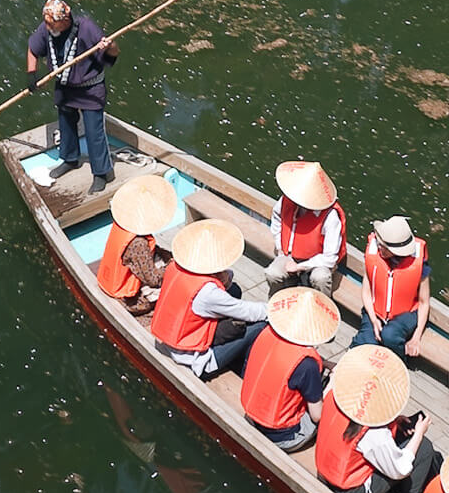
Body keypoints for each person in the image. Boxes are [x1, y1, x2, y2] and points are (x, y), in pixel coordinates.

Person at [315, 345, 441, 493]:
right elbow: (399, 469)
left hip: (325, 467)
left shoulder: (334, 394)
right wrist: (419, 433)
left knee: (406, 440)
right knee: (424, 449)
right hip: (350, 489)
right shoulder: (373, 432)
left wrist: (394, 421)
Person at [150, 218, 269, 378]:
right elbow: (247, 311)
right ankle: (243, 371)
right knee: (259, 325)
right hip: (194, 358)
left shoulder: (174, 267)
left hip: (173, 334)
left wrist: (223, 279)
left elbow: (226, 283)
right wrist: (274, 309)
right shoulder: (208, 293)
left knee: (233, 290)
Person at [27, 0, 118, 193]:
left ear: (65, 20)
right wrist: (31, 74)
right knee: (66, 123)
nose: (48, 27)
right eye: (47, 23)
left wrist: (109, 46)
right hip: (65, 86)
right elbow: (33, 48)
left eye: (53, 24)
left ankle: (102, 173)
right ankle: (70, 159)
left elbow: (113, 52)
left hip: (90, 88)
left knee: (94, 131)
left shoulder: (86, 28)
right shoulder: (47, 28)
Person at [239, 287, 339, 451]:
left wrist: (324, 363)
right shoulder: (307, 365)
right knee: (329, 398)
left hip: (252, 413)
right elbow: (317, 415)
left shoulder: (266, 332)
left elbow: (285, 358)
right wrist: (331, 384)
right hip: (282, 436)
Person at [96, 175, 178, 316]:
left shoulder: (122, 223)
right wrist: (170, 266)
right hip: (125, 297)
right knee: (175, 284)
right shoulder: (139, 243)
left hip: (107, 279)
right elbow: (152, 279)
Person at [352, 216, 431, 359]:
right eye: (379, 243)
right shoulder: (374, 255)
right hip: (375, 310)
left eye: (384, 246)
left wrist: (416, 337)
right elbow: (366, 292)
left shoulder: (420, 266)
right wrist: (373, 320)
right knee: (364, 341)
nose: (379, 247)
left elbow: (424, 302)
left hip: (406, 314)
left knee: (390, 336)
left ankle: (396, 365)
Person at [265, 160, 346, 297]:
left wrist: (300, 267)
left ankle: (320, 309)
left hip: (318, 262)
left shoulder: (330, 216)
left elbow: (330, 257)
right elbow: (276, 218)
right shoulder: (287, 201)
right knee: (272, 273)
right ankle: (277, 303)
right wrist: (281, 249)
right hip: (290, 255)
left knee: (320, 278)